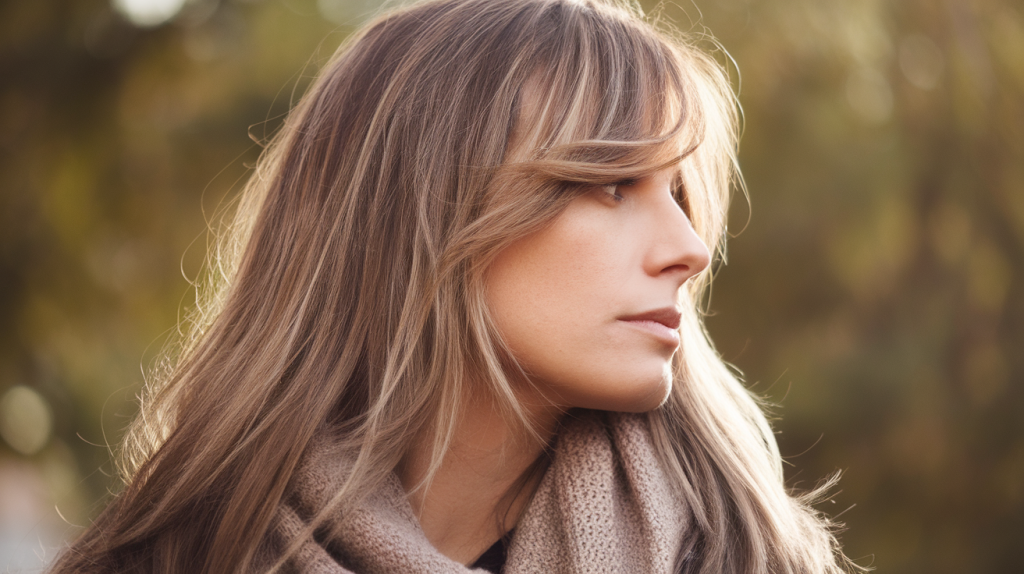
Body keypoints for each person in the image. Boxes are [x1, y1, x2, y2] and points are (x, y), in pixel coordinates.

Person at [49, 0, 855, 572]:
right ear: (428, 208)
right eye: (611, 184)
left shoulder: (750, 558)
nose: (689, 249)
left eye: (680, 195)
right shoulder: (172, 558)